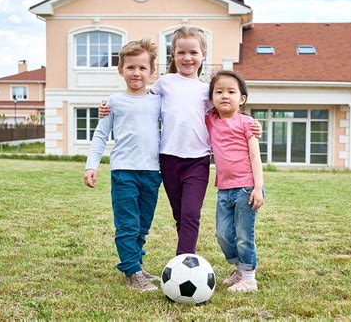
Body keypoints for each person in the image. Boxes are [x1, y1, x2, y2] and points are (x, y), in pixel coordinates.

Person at [99, 26, 261, 256]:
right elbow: (140, 99)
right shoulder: (165, 83)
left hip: (197, 161)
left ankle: (184, 261)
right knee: (180, 215)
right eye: (181, 52)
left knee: (191, 214)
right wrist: (109, 105)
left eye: (194, 52)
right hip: (168, 160)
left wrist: (252, 124)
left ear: (203, 55)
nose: (187, 58)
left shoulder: (208, 91)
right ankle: (184, 259)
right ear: (173, 55)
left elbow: (228, 114)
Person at [83, 38, 162, 292]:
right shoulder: (113, 102)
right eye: (130, 67)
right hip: (124, 172)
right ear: (121, 70)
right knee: (127, 224)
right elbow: (100, 135)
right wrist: (91, 165)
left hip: (152, 172)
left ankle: (136, 263)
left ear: (152, 71)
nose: (136, 73)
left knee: (142, 225)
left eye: (142, 68)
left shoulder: (158, 100)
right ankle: (132, 272)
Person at [205, 70, 264, 293]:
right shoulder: (210, 120)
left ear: (242, 99)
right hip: (223, 189)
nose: (225, 96)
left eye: (231, 91)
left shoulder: (247, 123)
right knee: (222, 234)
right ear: (212, 98)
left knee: (243, 235)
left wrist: (258, 187)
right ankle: (239, 268)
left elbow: (255, 156)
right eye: (219, 92)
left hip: (246, 188)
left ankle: (249, 278)